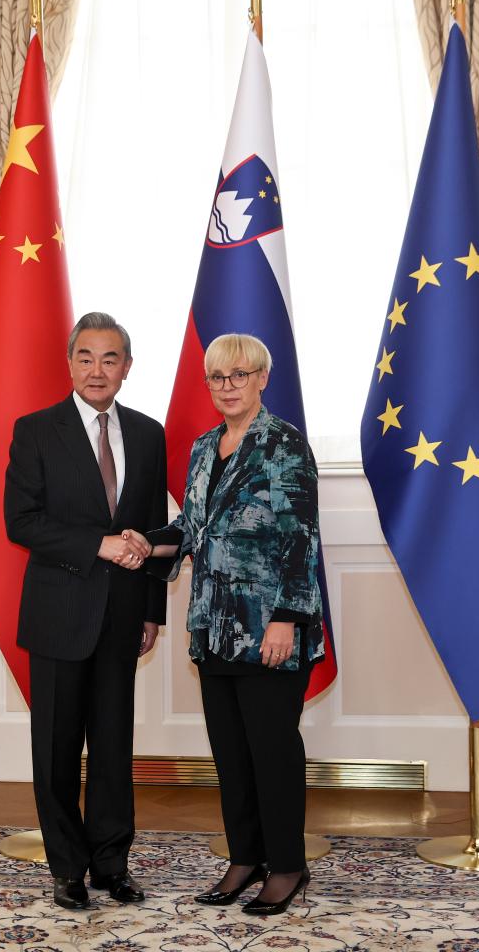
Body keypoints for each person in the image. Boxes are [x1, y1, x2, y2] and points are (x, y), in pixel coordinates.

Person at [124, 333, 324, 916]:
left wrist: (285, 619)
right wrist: (147, 542)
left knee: (272, 751)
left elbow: (300, 538)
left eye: (240, 374)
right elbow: (191, 527)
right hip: (213, 628)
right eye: (218, 376)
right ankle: (245, 857)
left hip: (269, 630)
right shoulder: (205, 447)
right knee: (231, 754)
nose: (228, 386)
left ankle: (286, 865)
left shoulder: (284, 443)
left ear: (262, 378)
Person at [4, 312, 168, 911]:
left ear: (127, 368)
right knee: (56, 750)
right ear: (70, 363)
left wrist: (152, 610)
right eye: (86, 357)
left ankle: (112, 865)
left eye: (109, 358)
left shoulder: (148, 434)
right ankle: (67, 869)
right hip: (58, 614)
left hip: (123, 616)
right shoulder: (35, 430)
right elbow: (21, 522)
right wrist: (96, 544)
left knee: (113, 748)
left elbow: (152, 527)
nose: (97, 370)